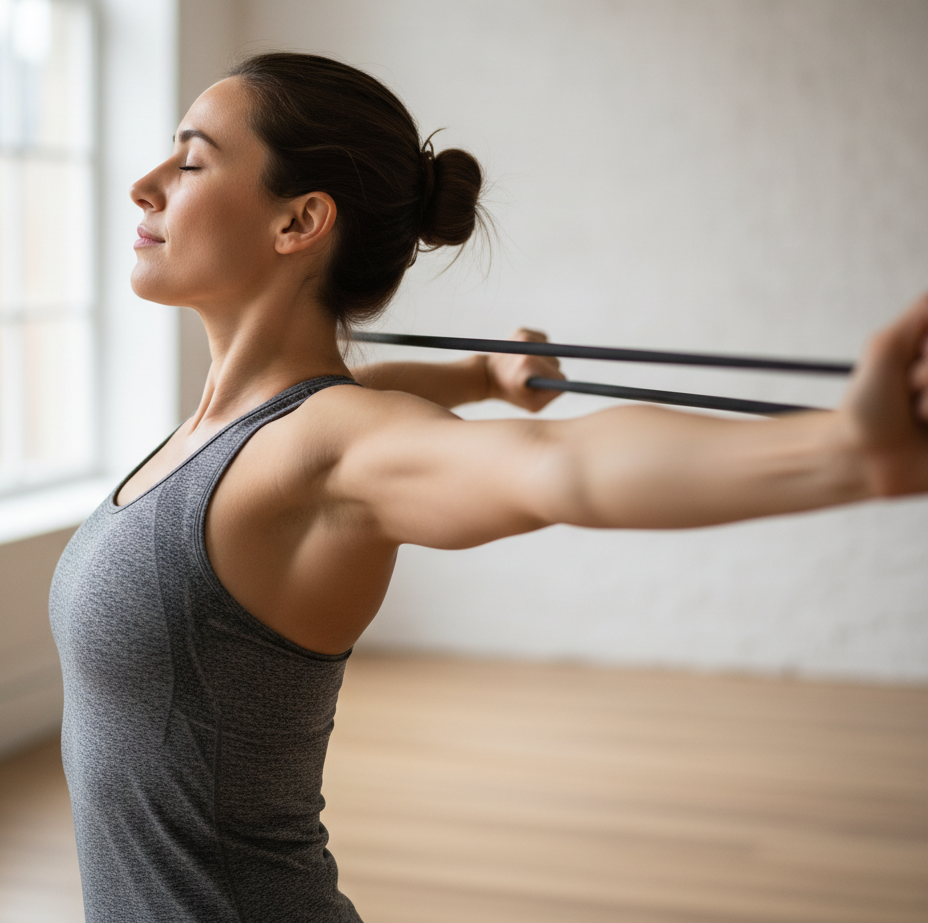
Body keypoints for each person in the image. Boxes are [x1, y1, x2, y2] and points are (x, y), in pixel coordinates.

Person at [49, 52, 928, 923]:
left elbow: (561, 470)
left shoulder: (332, 450)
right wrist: (478, 375)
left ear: (300, 221)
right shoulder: (243, 428)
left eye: (193, 161)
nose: (145, 184)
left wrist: (844, 454)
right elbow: (351, 393)